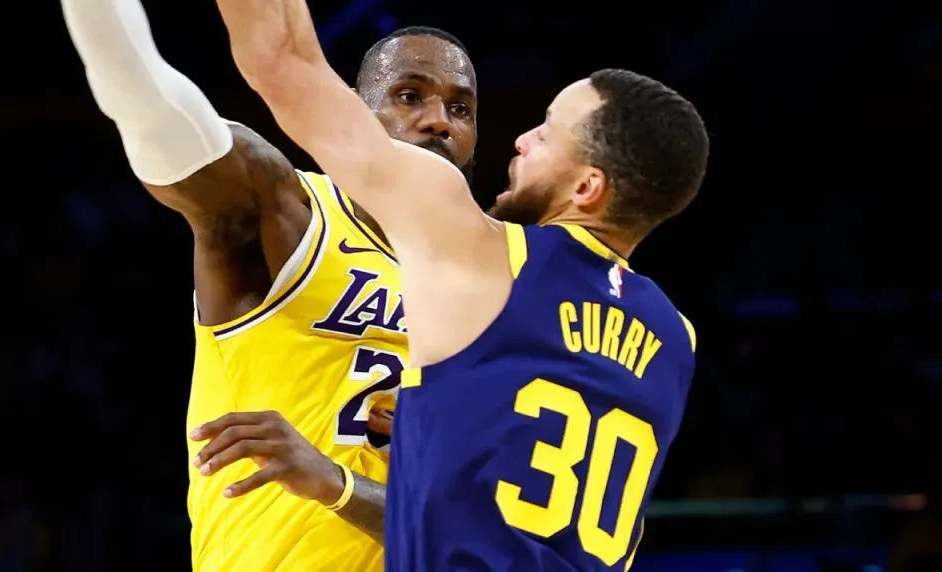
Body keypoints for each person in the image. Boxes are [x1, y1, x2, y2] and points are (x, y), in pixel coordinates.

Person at [208, 0, 709, 569]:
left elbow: (283, 61)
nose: (521, 140)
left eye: (546, 134)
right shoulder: (677, 340)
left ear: (587, 188)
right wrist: (441, 426)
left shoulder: (486, 250)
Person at [59, 0, 477, 568]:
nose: (439, 121)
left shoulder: (491, 281)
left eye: (460, 108)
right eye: (409, 95)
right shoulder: (288, 213)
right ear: (357, 113)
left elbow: (483, 528)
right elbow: (149, 102)